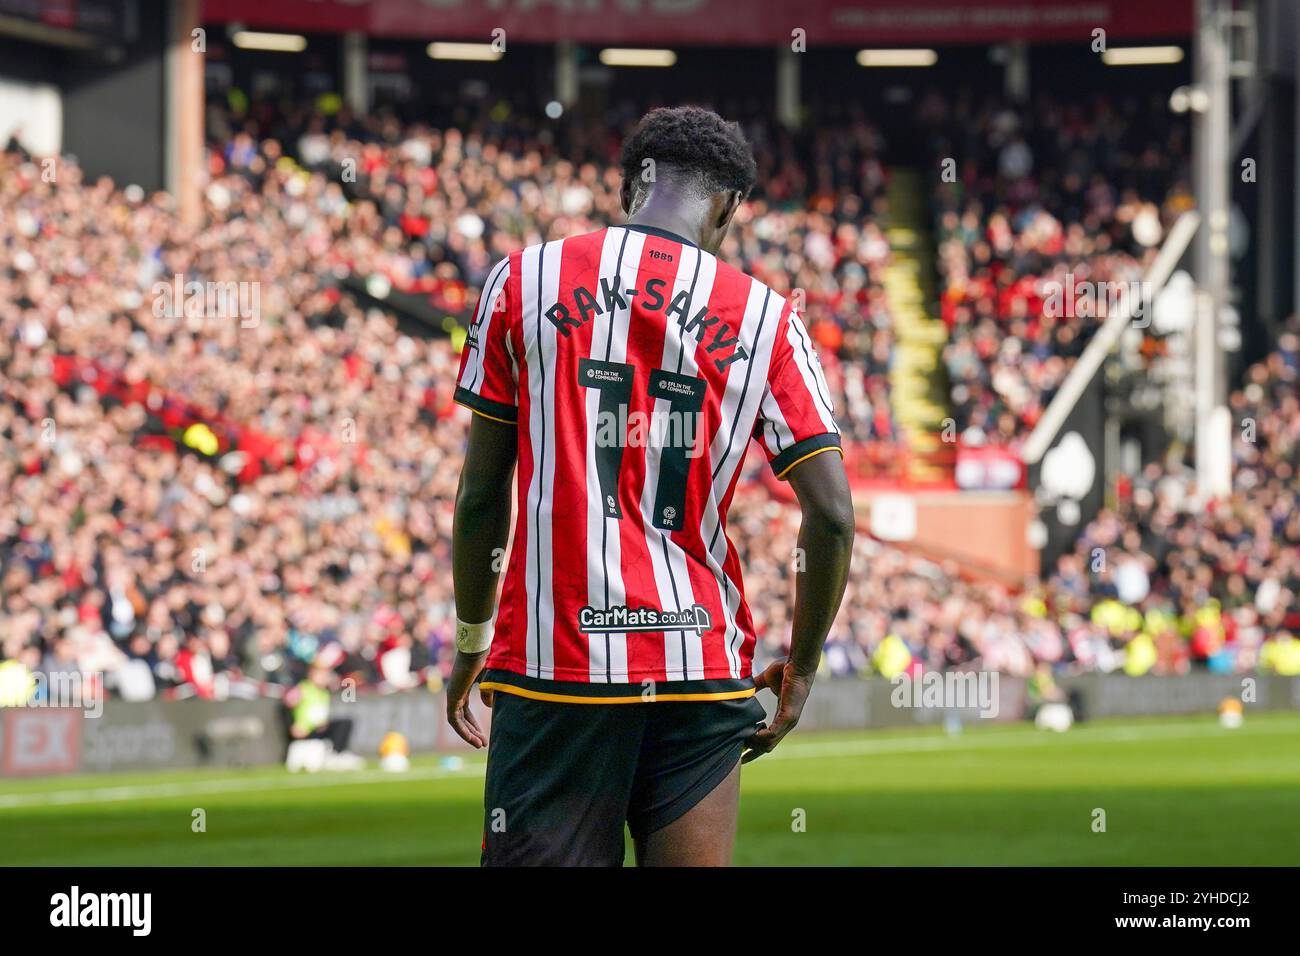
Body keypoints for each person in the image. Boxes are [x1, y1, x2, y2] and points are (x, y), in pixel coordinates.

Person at [446, 106, 855, 867]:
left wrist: (474, 638)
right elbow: (831, 513)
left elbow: (479, 496)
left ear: (635, 183)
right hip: (698, 667)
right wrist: (801, 667)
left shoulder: (523, 279)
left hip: (556, 664)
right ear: (729, 204)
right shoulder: (769, 319)